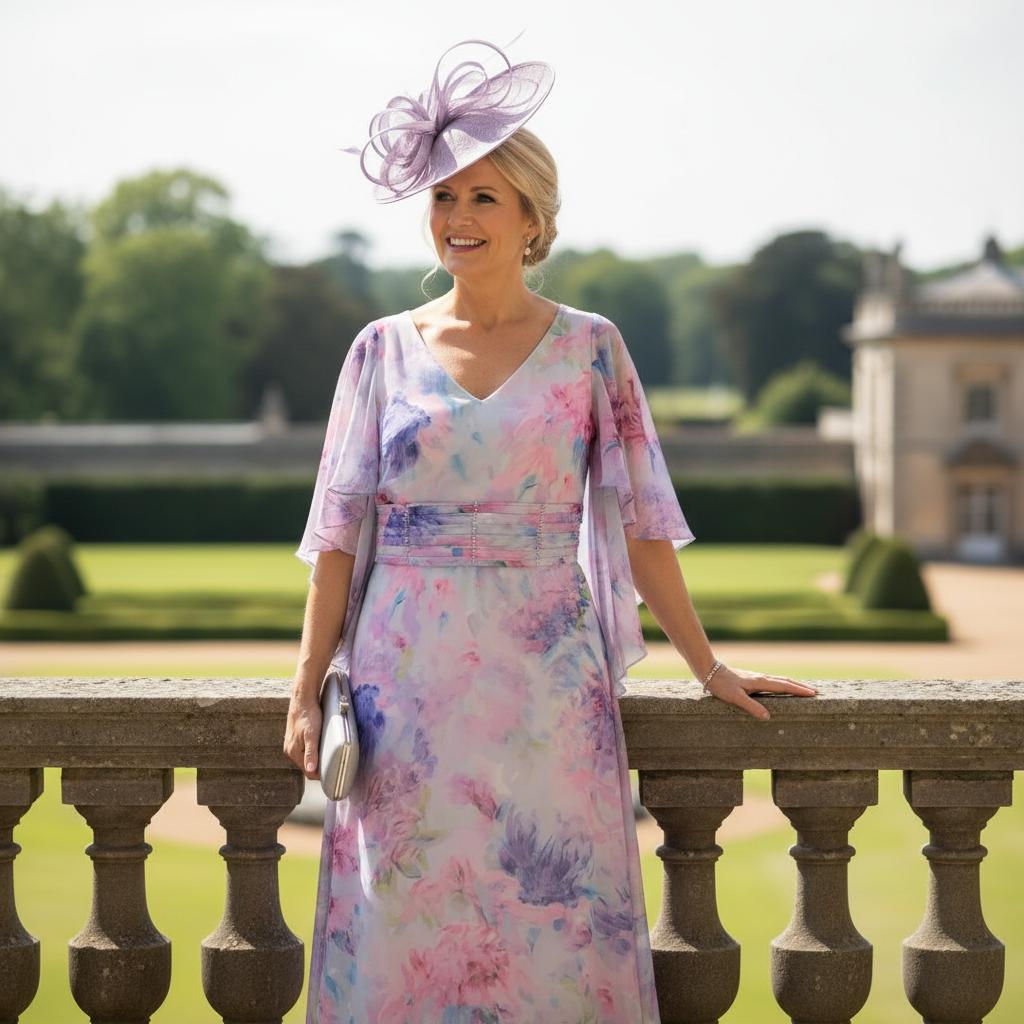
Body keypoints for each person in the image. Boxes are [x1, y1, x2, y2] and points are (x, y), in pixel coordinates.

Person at [283, 37, 817, 1023]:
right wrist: (305, 691)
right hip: (407, 692)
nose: (458, 217)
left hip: (547, 690)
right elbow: (338, 540)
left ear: (533, 218)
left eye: (484, 197)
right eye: (444, 197)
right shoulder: (378, 353)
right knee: (407, 919)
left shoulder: (591, 349)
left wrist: (708, 667)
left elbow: (643, 527)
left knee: (556, 925)